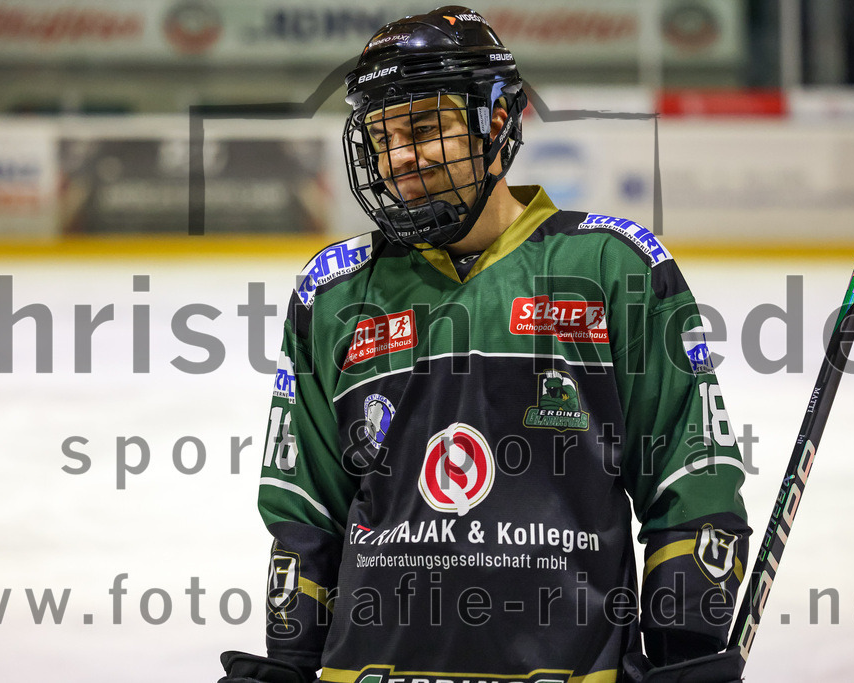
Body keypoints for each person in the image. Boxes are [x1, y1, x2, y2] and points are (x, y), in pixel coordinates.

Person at [219, 6, 750, 683]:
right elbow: (306, 511)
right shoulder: (334, 291)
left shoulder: (613, 266)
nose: (399, 157)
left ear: (497, 120)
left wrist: (686, 646)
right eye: (382, 136)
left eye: (423, 128)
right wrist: (291, 661)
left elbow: (689, 475)